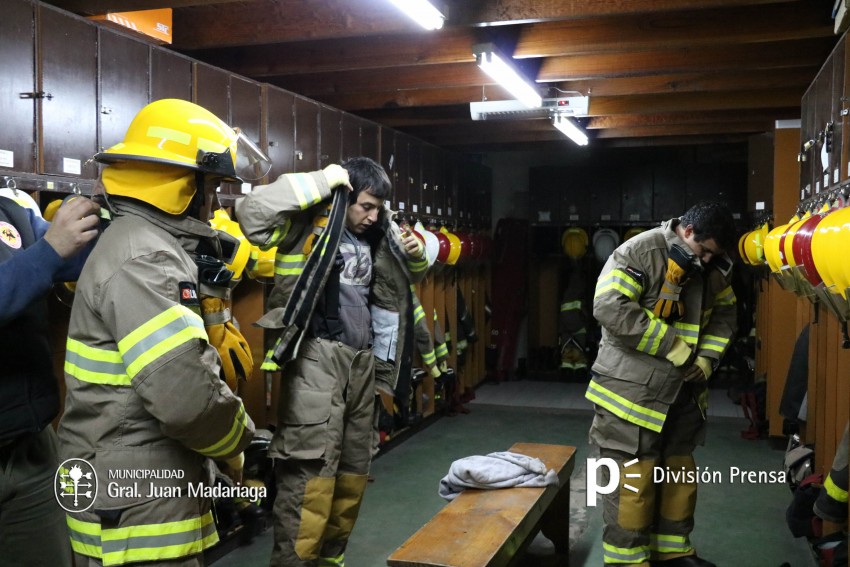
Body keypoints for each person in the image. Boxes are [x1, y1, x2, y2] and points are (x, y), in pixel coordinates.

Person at [57, 99, 261, 566]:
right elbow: (185, 397)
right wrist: (237, 444)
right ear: (181, 186)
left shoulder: (143, 243)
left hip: (133, 487)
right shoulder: (145, 257)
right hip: (134, 505)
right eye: (210, 187)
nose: (214, 203)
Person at [235, 156, 427, 566]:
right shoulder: (305, 225)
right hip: (316, 360)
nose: (373, 217)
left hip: (362, 365)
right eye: (366, 206)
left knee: (353, 472)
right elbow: (251, 214)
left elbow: (411, 278)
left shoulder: (379, 235)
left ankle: (331, 561)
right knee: (310, 478)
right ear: (345, 196)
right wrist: (320, 181)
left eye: (379, 209)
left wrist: (415, 251)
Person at [586, 201, 737, 567]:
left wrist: (706, 360)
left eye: (712, 254)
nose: (704, 261)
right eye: (702, 251)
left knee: (677, 476)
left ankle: (672, 551)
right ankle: (628, 561)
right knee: (632, 483)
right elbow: (610, 308)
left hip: (684, 394)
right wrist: (676, 348)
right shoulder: (640, 251)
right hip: (631, 395)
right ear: (687, 231)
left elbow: (726, 314)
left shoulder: (712, 264)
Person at [0, 191, 100, 567]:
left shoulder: (11, 213)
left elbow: (78, 256)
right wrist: (51, 249)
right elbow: (52, 251)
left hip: (30, 448)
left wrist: (120, 214)